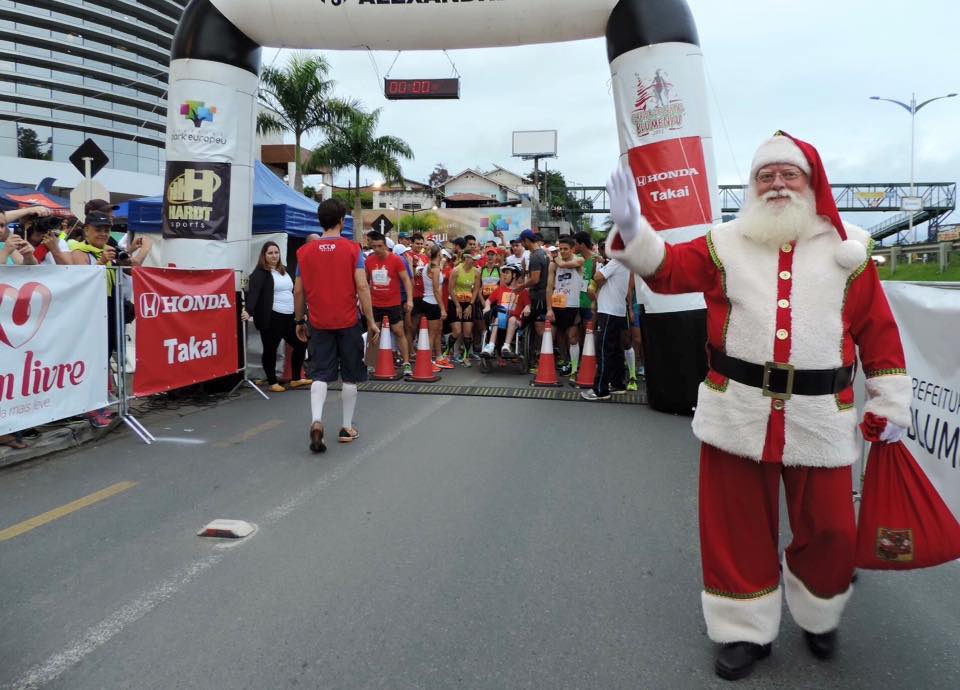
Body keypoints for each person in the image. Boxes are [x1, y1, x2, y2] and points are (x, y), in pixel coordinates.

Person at [604, 132, 911, 680]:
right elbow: (669, 270)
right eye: (765, 175)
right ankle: (744, 630)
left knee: (833, 527)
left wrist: (890, 399)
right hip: (737, 406)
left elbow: (878, 332)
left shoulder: (852, 248)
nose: (776, 184)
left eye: (787, 174)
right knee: (735, 524)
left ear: (811, 183)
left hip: (821, 412)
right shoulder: (724, 241)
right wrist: (633, 230)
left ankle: (819, 613)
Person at [294, 198, 379, 452]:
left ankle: (317, 420)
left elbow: (299, 291)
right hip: (348, 321)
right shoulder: (353, 250)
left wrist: (300, 320)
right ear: (342, 220)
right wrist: (371, 321)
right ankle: (345, 427)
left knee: (319, 374)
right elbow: (362, 286)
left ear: (320, 221)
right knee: (351, 375)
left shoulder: (304, 252)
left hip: (319, 322)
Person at [243, 241, 311, 392]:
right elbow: (254, 294)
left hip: (289, 316)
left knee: (301, 343)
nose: (274, 256)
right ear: (264, 256)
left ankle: (295, 378)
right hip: (271, 317)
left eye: (276, 252)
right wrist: (249, 310)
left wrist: (301, 313)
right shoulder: (260, 273)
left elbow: (294, 292)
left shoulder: (284, 271)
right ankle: (272, 382)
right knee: (270, 349)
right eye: (270, 253)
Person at [581, 253, 630, 401]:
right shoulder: (625, 261)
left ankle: (600, 389)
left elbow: (597, 277)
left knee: (604, 349)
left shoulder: (616, 261)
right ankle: (618, 384)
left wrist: (601, 266)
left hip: (608, 311)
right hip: (618, 310)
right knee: (616, 350)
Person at [365, 231, 414, 376]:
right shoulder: (369, 260)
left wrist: (410, 299)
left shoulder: (396, 260)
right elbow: (366, 282)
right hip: (375, 303)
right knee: (373, 332)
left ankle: (406, 363)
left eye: (380, 246)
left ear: (385, 245)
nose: (377, 249)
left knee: (399, 331)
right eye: (374, 246)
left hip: (393, 302)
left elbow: (406, 280)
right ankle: (371, 363)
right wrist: (362, 300)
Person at [546, 236, 584, 377]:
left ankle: (574, 368)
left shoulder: (578, 260)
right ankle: (565, 361)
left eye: (565, 249)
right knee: (559, 337)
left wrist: (556, 258)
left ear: (572, 249)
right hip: (557, 304)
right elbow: (549, 288)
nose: (562, 251)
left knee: (572, 337)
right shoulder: (553, 264)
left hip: (572, 306)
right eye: (560, 249)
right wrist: (549, 309)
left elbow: (563, 265)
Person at [481, 263, 530, 357]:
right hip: (501, 320)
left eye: (507, 273)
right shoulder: (500, 289)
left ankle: (506, 346)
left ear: (514, 275)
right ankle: (490, 346)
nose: (504, 275)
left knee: (511, 319)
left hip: (516, 321)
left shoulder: (522, 291)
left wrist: (527, 308)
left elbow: (528, 305)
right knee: (498, 318)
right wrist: (487, 306)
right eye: (503, 273)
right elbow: (488, 300)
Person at [518, 229, 549, 370]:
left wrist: (522, 286)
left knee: (539, 329)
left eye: (522, 242)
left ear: (526, 240)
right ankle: (538, 358)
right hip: (541, 295)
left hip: (539, 297)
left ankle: (540, 360)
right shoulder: (543, 253)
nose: (522, 244)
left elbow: (535, 279)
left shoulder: (536, 256)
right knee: (537, 328)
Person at [420, 244, 451, 369]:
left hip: (430, 301)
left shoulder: (430, 266)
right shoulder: (435, 269)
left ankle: (438, 357)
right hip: (432, 303)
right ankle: (427, 361)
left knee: (438, 331)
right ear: (438, 254)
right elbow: (436, 290)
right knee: (432, 333)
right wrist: (442, 308)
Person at [448, 250, 481, 366]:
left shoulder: (476, 272)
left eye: (476, 259)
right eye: (473, 259)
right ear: (466, 258)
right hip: (455, 302)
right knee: (457, 331)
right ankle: (447, 353)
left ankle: (466, 357)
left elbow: (476, 289)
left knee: (467, 332)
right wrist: (457, 305)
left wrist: (470, 305)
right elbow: (450, 289)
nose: (475, 261)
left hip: (468, 302)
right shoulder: (456, 270)